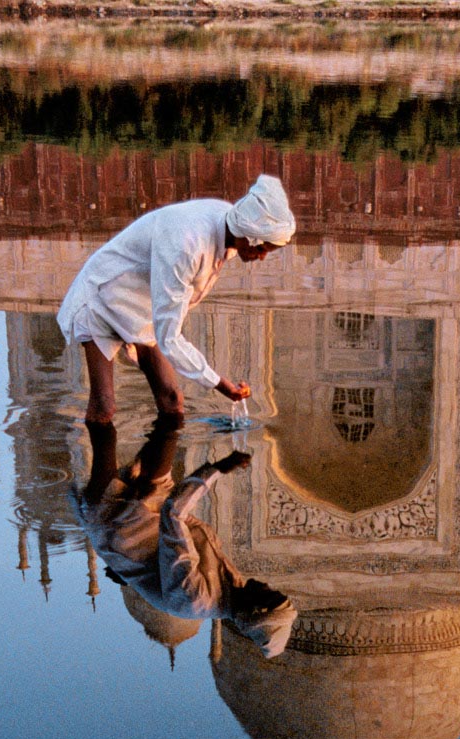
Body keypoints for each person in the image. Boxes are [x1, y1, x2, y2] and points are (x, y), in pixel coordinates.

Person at [57, 174, 295, 423]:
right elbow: (169, 338)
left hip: (141, 308)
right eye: (260, 249)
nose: (261, 257)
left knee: (172, 399)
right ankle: (102, 462)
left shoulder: (231, 224)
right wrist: (220, 384)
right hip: (103, 296)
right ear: (246, 235)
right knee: (104, 406)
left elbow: (171, 312)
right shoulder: (186, 246)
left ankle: (152, 462)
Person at [76, 418, 297, 658]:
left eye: (270, 593)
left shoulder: (196, 599)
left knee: (104, 426)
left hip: (117, 524)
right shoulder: (233, 587)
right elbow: (191, 529)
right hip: (153, 513)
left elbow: (174, 516)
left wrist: (218, 469)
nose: (267, 585)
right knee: (170, 419)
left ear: (257, 609)